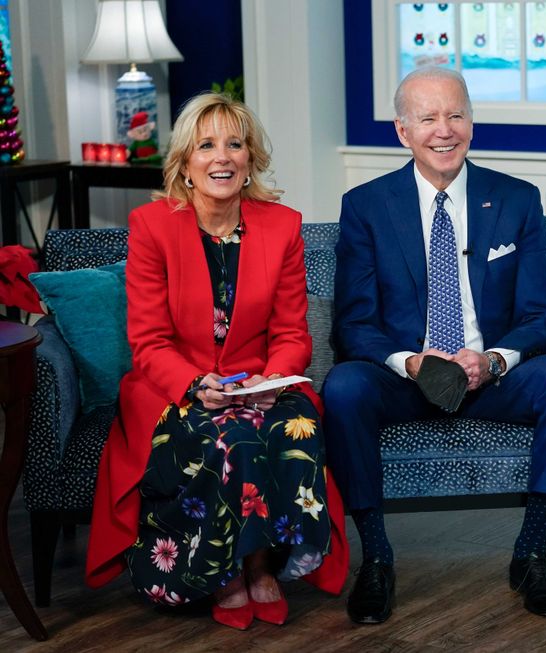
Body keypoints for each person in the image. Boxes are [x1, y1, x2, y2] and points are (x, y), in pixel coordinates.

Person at [320, 66, 546, 624]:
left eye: (456, 115)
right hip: (406, 378)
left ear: (471, 121)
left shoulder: (516, 200)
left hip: (490, 375)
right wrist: (412, 361)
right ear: (403, 132)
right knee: (344, 385)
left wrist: (493, 360)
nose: (444, 130)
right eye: (428, 118)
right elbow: (353, 324)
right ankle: (377, 558)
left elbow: (543, 318)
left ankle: (531, 552)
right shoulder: (366, 206)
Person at [84, 92, 349, 630]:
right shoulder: (152, 227)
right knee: (233, 438)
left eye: (235, 143)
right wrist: (196, 383)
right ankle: (228, 572)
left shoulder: (282, 226)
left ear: (251, 159)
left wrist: (271, 378)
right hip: (173, 390)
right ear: (185, 162)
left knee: (295, 427)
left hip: (259, 383)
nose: (222, 157)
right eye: (206, 145)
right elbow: (150, 340)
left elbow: (293, 332)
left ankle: (261, 565)